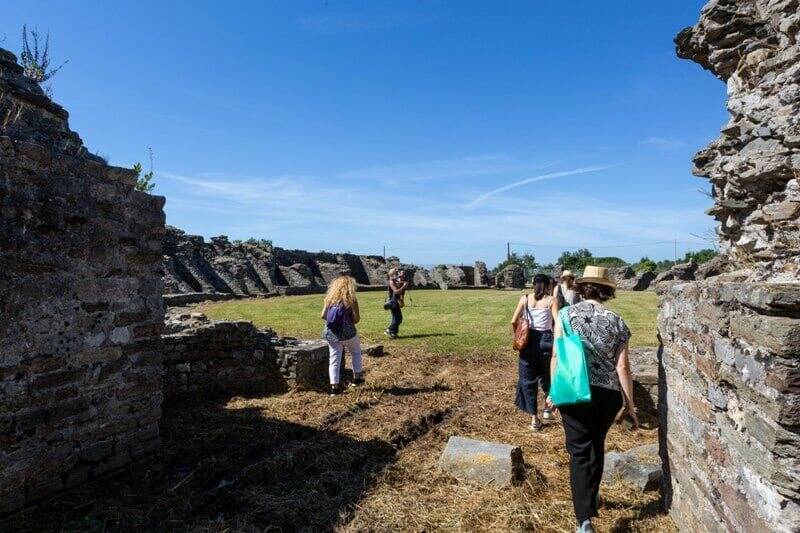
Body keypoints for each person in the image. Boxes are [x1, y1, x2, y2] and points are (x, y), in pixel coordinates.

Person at [546, 266, 638, 533]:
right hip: (607, 394)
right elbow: (623, 367)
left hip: (574, 389)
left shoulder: (565, 314)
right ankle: (592, 499)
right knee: (596, 445)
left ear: (581, 288)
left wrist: (553, 391)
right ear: (607, 290)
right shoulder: (617, 320)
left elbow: (557, 356)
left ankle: (584, 519)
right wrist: (630, 404)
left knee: (578, 452)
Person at [511, 273, 559, 430]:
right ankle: (547, 409)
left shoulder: (524, 298)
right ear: (547, 285)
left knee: (528, 380)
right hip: (546, 341)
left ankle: (534, 419)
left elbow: (513, 320)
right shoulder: (551, 300)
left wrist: (519, 334)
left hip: (528, 341)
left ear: (533, 284)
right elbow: (557, 323)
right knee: (547, 376)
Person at [320, 276, 364, 396]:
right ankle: (357, 378)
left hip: (331, 333)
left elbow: (323, 315)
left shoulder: (329, 299)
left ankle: (334, 387)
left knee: (334, 359)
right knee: (355, 352)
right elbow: (357, 319)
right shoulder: (351, 300)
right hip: (348, 333)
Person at [385, 267, 407, 339]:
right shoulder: (391, 282)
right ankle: (389, 329)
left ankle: (393, 333)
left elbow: (398, 285)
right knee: (398, 318)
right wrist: (403, 286)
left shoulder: (394, 281)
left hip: (395, 301)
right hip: (393, 302)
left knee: (395, 318)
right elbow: (396, 291)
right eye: (396, 274)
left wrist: (402, 283)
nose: (398, 275)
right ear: (392, 275)